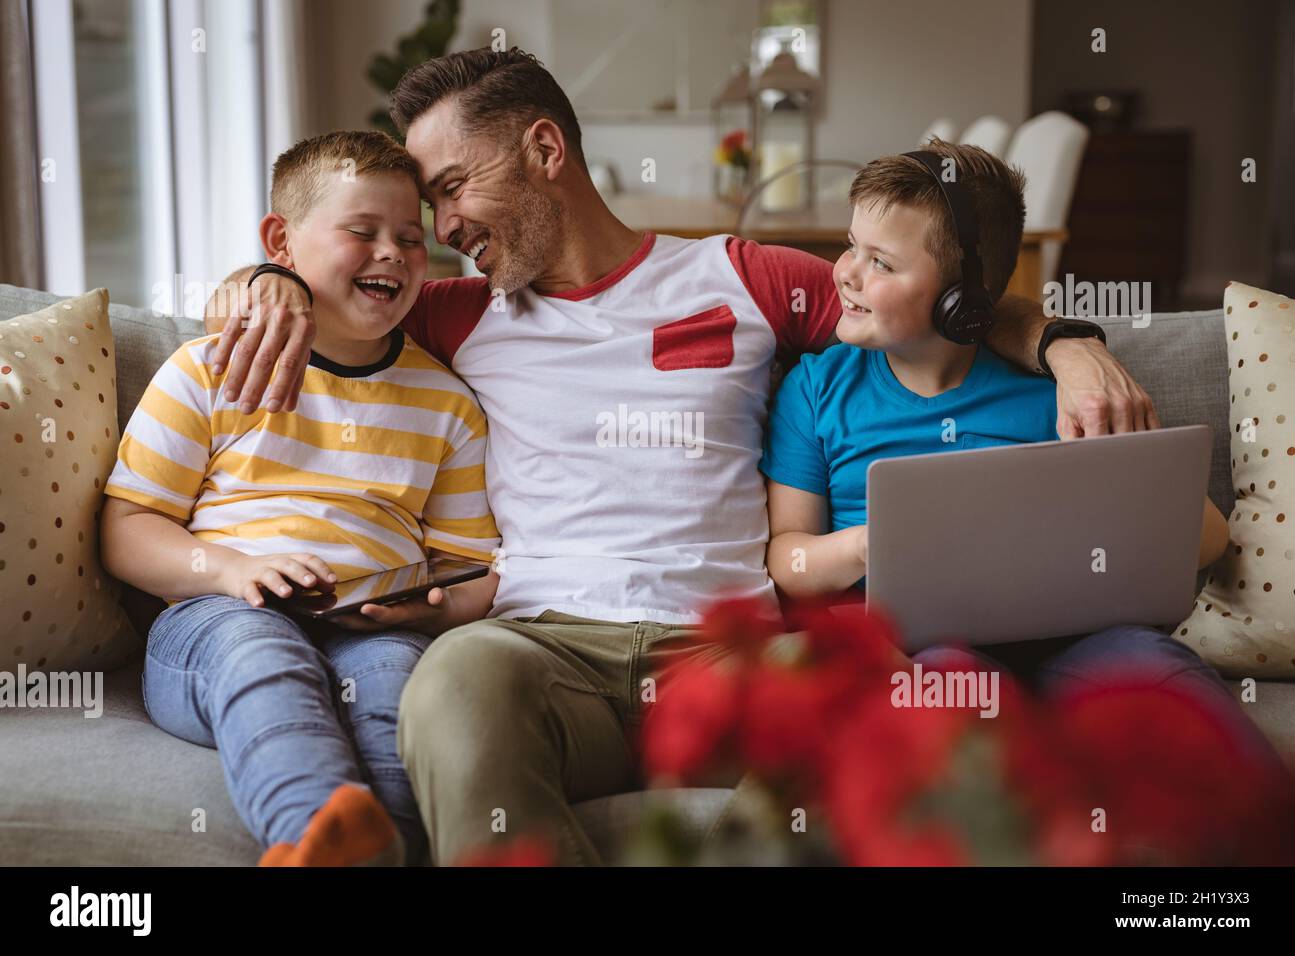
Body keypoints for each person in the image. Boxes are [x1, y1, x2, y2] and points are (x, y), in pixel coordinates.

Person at [203, 48, 1163, 865]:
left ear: (544, 149)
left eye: (453, 188)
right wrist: (265, 280)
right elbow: (335, 286)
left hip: (730, 655)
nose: (442, 228)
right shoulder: (453, 314)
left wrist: (1069, 342)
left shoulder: (741, 277)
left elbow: (934, 301)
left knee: (857, 686)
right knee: (451, 680)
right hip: (539, 650)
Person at [761, 140, 1274, 768]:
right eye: (851, 245)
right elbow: (787, 556)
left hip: (1081, 641)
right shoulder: (817, 389)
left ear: (963, 300)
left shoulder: (1058, 399)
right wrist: (870, 545)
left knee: (1160, 672)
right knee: (949, 689)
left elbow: (1208, 537)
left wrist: (1125, 478)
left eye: (882, 263)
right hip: (926, 649)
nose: (844, 271)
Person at [100, 130, 500, 866]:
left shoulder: (447, 404)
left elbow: (473, 564)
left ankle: (385, 850)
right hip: (218, 619)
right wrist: (227, 572)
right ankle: (312, 836)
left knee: (395, 697)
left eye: (411, 238)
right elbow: (127, 529)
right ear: (280, 242)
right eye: (363, 231)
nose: (393, 253)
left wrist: (431, 604)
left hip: (374, 628)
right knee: (263, 658)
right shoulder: (208, 369)